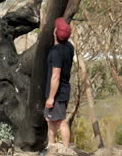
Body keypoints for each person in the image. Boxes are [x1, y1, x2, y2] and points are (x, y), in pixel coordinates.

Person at [44, 17, 74, 148]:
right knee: (54, 119)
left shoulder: (56, 52)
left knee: (57, 121)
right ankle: (58, 147)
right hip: (65, 90)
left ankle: (58, 148)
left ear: (55, 32)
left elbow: (55, 76)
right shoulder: (69, 47)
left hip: (57, 93)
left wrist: (51, 98)